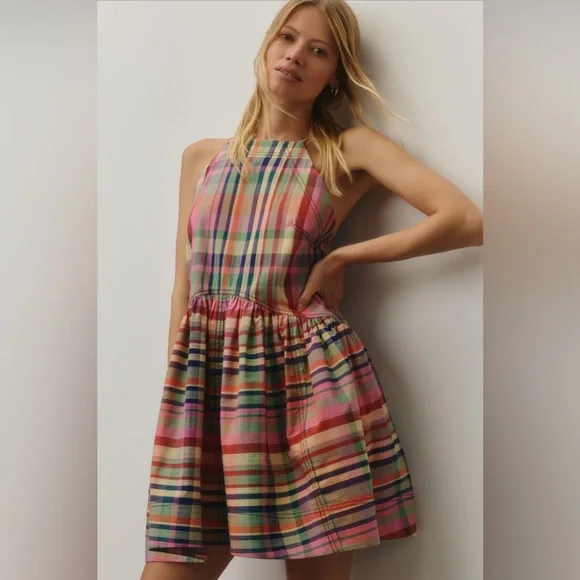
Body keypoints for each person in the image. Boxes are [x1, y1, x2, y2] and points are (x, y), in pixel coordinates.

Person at [141, 0, 483, 579]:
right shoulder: (202, 158)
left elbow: (465, 219)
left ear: (333, 77)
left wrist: (345, 255)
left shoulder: (347, 150)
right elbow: (185, 287)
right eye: (288, 38)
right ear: (267, 46)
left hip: (309, 388)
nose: (295, 55)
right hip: (212, 388)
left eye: (317, 50)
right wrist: (181, 390)